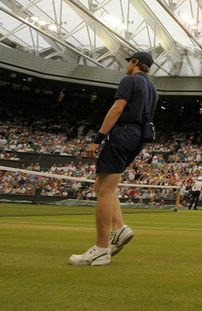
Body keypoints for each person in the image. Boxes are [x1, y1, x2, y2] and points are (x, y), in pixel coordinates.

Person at [69, 51, 158, 266]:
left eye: (129, 62)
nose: (126, 66)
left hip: (123, 133)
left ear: (136, 62)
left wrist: (97, 139)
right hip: (138, 137)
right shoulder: (153, 88)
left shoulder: (129, 80)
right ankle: (119, 228)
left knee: (105, 190)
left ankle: (101, 249)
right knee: (103, 186)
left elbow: (117, 108)